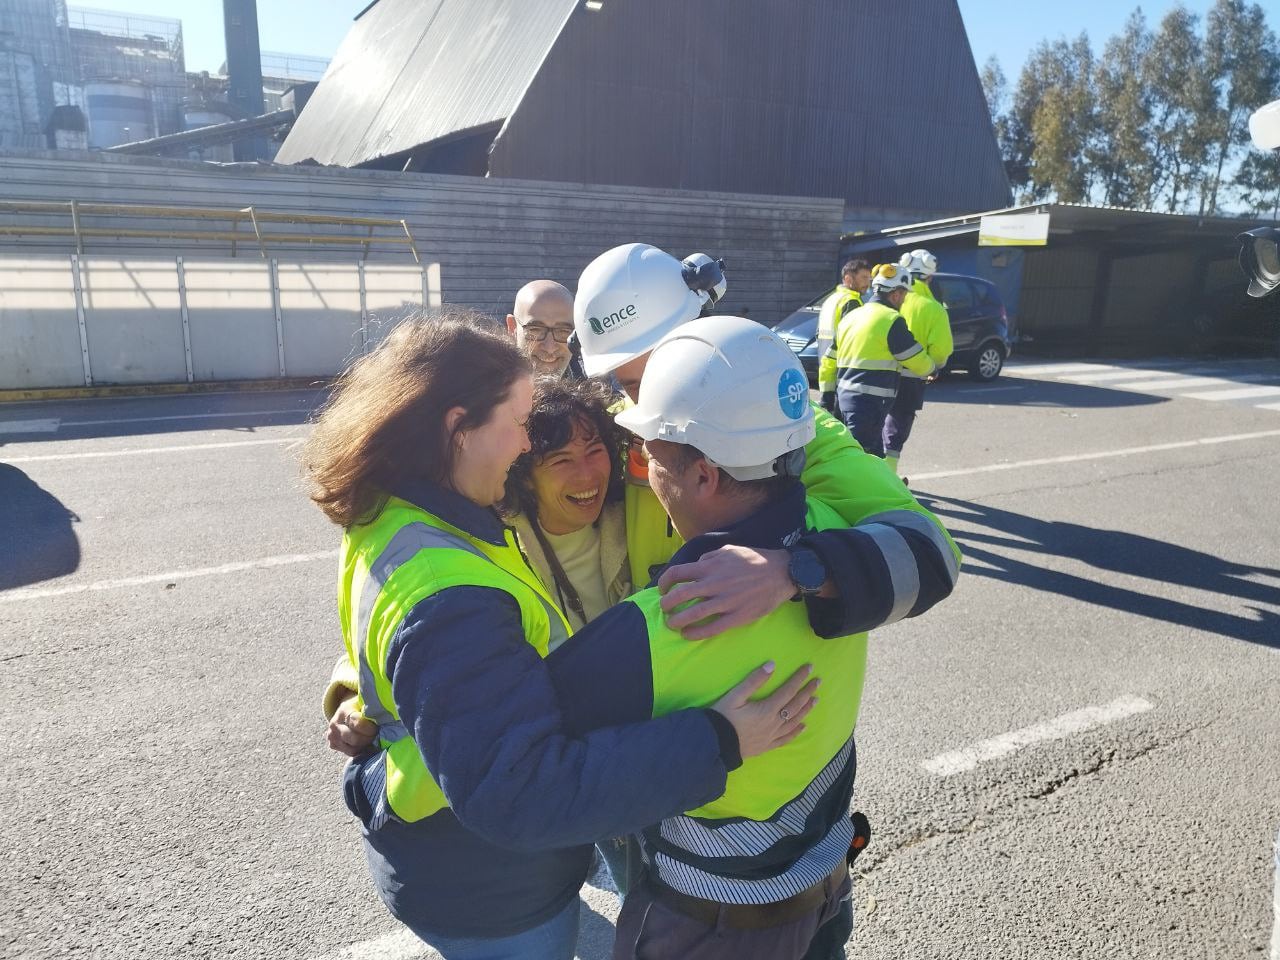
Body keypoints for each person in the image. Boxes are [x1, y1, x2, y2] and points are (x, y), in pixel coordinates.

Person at [304, 311, 818, 959]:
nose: (528, 445)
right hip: (492, 887)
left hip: (442, 849)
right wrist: (719, 740)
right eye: (520, 426)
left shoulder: (393, 512)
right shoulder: (451, 589)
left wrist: (363, 705)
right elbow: (521, 791)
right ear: (458, 428)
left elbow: (393, 646)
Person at [549, 315, 872, 958]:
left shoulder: (659, 628)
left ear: (705, 476)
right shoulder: (839, 544)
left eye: (652, 459)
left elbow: (531, 761)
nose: (644, 478)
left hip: (715, 926)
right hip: (826, 878)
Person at [831, 262, 936, 457]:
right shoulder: (891, 319)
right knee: (862, 460)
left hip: (844, 399)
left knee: (869, 455)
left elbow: (831, 357)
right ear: (895, 294)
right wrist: (932, 368)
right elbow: (914, 357)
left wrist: (828, 396)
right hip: (869, 404)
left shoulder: (852, 316)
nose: (904, 301)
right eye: (904, 295)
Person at [883, 249, 953, 479]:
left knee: (877, 425)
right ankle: (890, 479)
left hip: (879, 374)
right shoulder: (933, 308)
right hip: (912, 378)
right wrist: (934, 367)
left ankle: (875, 475)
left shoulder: (891, 300)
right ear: (929, 277)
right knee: (897, 429)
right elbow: (941, 350)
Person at [816, 259, 871, 413]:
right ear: (848, 279)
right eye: (864, 278)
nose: (868, 283)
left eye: (869, 278)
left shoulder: (831, 299)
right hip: (843, 375)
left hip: (827, 372)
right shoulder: (851, 302)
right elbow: (852, 340)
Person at [507, 280, 577, 376]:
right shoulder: (485, 387)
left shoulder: (595, 385)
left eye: (563, 331)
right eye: (535, 330)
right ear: (512, 327)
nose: (550, 348)